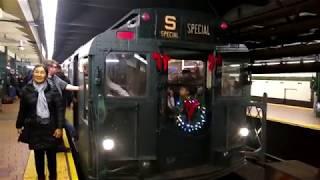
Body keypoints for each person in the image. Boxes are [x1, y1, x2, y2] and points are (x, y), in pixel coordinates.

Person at [16, 64, 64, 180]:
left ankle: (53, 177)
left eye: (42, 72)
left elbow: (59, 110)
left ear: (46, 75)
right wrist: (19, 125)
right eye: (36, 72)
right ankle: (41, 177)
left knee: (52, 157)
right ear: (33, 74)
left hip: (51, 128)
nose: (39, 74)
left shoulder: (53, 90)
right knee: (38, 158)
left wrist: (59, 127)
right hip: (35, 128)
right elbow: (22, 110)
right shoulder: (26, 90)